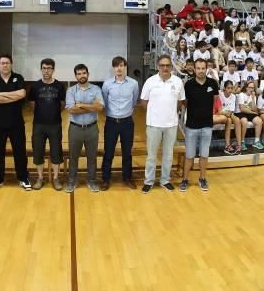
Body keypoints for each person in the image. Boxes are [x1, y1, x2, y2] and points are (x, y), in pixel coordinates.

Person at [140, 55, 186, 193]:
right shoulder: (150, 81)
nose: (165, 68)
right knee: (151, 155)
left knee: (168, 155)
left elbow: (180, 101)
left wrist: (170, 113)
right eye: (162, 65)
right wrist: (155, 113)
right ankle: (149, 181)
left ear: (171, 67)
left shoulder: (178, 82)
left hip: (171, 125)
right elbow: (144, 102)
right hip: (153, 124)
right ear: (158, 66)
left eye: (167, 65)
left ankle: (165, 180)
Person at [0, 54, 30, 191]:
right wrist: (13, 95)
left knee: (20, 151)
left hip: (16, 123)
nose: (5, 65)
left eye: (7, 63)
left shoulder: (19, 77)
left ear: (11, 64)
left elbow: (22, 94)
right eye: (2, 63)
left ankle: (23, 177)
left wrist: (0, 95)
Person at [100, 56, 139, 190]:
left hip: (127, 123)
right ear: (113, 68)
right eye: (116, 66)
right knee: (108, 152)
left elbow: (134, 101)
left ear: (125, 67)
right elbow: (104, 101)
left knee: (127, 152)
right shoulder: (107, 84)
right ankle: (105, 179)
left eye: (122, 65)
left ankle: (127, 177)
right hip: (111, 123)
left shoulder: (133, 83)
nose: (119, 68)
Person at [180, 58, 219, 192]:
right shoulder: (188, 85)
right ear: (194, 69)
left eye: (203, 68)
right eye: (198, 68)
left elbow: (215, 101)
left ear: (206, 68)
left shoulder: (213, 83)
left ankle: (202, 178)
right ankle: (185, 179)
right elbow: (185, 103)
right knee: (189, 155)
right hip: (191, 126)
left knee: (204, 155)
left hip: (207, 125)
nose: (201, 71)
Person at [27, 59, 66, 190]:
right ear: (41, 69)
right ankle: (40, 178)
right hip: (39, 125)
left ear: (53, 69)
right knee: (38, 151)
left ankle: (55, 178)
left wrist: (52, 113)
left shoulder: (60, 86)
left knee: (56, 152)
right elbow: (32, 105)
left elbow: (62, 105)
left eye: (49, 68)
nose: (46, 70)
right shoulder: (35, 86)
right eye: (44, 68)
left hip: (55, 124)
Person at [65, 64, 104, 193]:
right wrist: (91, 106)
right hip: (75, 129)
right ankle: (72, 180)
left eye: (84, 73)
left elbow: (100, 107)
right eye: (79, 73)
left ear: (88, 74)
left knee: (92, 157)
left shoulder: (96, 89)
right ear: (75, 76)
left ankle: (92, 180)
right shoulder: (70, 91)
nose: (82, 76)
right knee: (73, 156)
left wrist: (80, 105)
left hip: (92, 128)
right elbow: (71, 110)